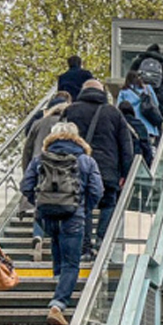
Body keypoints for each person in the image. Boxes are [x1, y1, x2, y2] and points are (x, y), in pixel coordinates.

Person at [21, 122, 104, 325]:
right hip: (73, 217)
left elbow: (26, 186)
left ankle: (59, 285)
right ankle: (58, 304)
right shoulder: (86, 160)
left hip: (47, 217)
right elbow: (97, 190)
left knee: (56, 247)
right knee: (71, 263)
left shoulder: (40, 159)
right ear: (76, 137)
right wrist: (83, 208)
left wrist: (39, 204)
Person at [63, 80, 132, 258]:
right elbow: (126, 145)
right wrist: (125, 173)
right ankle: (102, 239)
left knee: (82, 206)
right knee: (108, 203)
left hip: (76, 166)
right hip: (108, 168)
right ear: (102, 92)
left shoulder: (71, 111)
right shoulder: (114, 113)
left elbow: (58, 138)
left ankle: (84, 247)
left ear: (83, 90)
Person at [22, 91, 71, 261]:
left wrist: (27, 171)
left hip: (39, 166)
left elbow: (27, 149)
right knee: (62, 203)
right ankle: (60, 240)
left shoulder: (38, 123)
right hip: (62, 168)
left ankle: (38, 236)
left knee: (40, 205)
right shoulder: (67, 125)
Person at [117, 71, 161, 145]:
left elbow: (119, 108)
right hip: (149, 127)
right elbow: (156, 104)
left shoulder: (123, 92)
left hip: (133, 128)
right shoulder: (148, 89)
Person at [130, 43, 163, 114]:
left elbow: (131, 76)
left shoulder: (139, 61)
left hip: (140, 91)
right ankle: (161, 113)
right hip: (158, 94)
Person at [118, 100, 154, 169]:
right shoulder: (140, 124)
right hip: (137, 161)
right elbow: (146, 146)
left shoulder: (118, 125)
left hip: (122, 163)